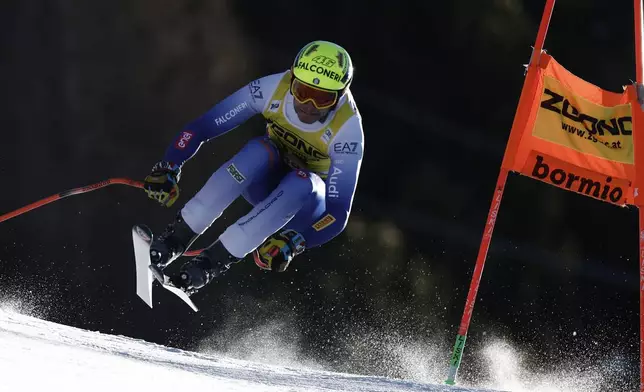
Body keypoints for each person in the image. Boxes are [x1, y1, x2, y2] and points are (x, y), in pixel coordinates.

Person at [142, 40, 364, 295]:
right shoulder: (271, 90)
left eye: (322, 99)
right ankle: (172, 241)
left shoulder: (348, 132)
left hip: (302, 205)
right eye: (302, 91)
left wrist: (296, 239)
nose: (308, 106)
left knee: (303, 180)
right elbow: (203, 126)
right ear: (292, 78)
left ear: (339, 97)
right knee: (260, 150)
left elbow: (337, 214)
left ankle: (205, 268)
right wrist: (169, 166)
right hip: (262, 181)